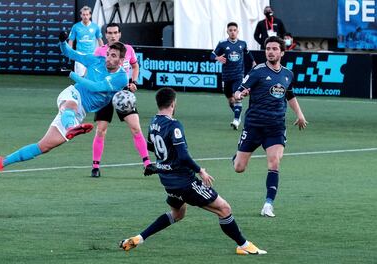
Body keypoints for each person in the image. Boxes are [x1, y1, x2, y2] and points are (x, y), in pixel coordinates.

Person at [119, 87, 267, 255]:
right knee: (224, 209)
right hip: (185, 182)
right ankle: (244, 245)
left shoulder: (153, 122)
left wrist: (160, 165)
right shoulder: (174, 125)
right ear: (173, 103)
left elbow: (151, 147)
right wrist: (200, 170)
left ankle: (139, 238)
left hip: (168, 181)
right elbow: (183, 156)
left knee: (177, 214)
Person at [0, 35, 128, 182]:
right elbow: (70, 53)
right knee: (70, 105)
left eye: (113, 56)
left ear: (121, 61)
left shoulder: (121, 78)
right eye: (108, 54)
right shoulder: (96, 60)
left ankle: (1, 162)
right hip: (73, 94)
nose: (108, 58)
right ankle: (72, 127)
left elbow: (97, 87)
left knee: (43, 146)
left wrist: (71, 74)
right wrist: (62, 42)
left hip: (80, 111)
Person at [233, 36, 308, 217]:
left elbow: (289, 94)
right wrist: (238, 95)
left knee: (274, 161)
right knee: (239, 168)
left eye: (274, 49)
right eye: (268, 49)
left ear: (282, 52)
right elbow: (239, 89)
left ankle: (268, 204)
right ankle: (236, 156)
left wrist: (300, 114)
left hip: (275, 127)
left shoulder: (288, 74)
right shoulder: (257, 71)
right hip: (254, 126)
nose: (271, 52)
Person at [90, 22, 156, 178]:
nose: (112, 35)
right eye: (110, 33)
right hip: (105, 94)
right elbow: (93, 71)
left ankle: (147, 164)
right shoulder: (100, 51)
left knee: (136, 128)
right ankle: (95, 166)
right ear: (105, 35)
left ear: (119, 34)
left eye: (115, 33)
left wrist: (133, 82)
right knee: (101, 130)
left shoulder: (129, 50)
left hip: (123, 94)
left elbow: (135, 66)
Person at [211, 22, 256, 130]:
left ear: (237, 31)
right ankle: (238, 115)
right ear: (227, 31)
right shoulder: (222, 44)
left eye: (234, 30)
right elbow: (212, 55)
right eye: (230, 30)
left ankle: (236, 120)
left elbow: (248, 52)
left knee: (237, 97)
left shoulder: (242, 43)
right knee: (230, 100)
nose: (232, 32)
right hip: (227, 76)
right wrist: (217, 58)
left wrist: (253, 61)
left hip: (238, 76)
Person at [68, 6, 104, 76]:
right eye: (83, 14)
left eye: (87, 14)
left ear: (90, 15)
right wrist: (70, 52)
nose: (85, 16)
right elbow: (71, 40)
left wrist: (103, 52)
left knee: (91, 77)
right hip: (80, 55)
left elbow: (100, 40)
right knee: (80, 77)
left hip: (92, 55)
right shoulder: (76, 26)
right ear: (81, 15)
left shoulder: (95, 26)